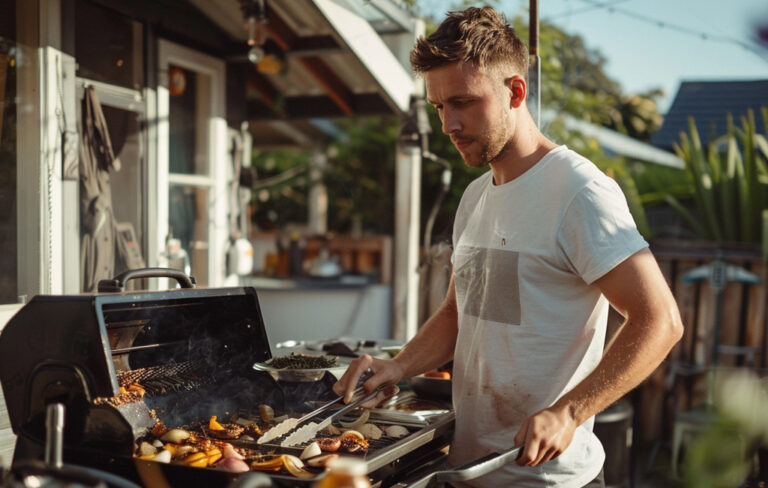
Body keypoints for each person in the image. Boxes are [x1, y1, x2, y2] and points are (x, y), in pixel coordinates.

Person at [333, 6, 683, 487]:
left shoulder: (578, 191)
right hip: (471, 469)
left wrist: (568, 413)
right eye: (439, 107)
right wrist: (397, 365)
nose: (448, 125)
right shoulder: (476, 196)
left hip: (549, 479)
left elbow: (660, 321)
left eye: (462, 102)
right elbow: (459, 314)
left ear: (515, 91)